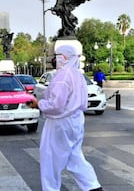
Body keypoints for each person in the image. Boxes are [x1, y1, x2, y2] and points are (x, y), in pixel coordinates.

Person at [28, 45, 103, 191]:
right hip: (76, 120)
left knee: (50, 159)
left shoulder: (63, 76)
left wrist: (39, 104)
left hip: (60, 122)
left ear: (64, 57)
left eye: (57, 55)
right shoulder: (78, 75)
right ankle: (93, 187)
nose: (55, 59)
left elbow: (56, 105)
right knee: (74, 156)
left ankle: (51, 188)